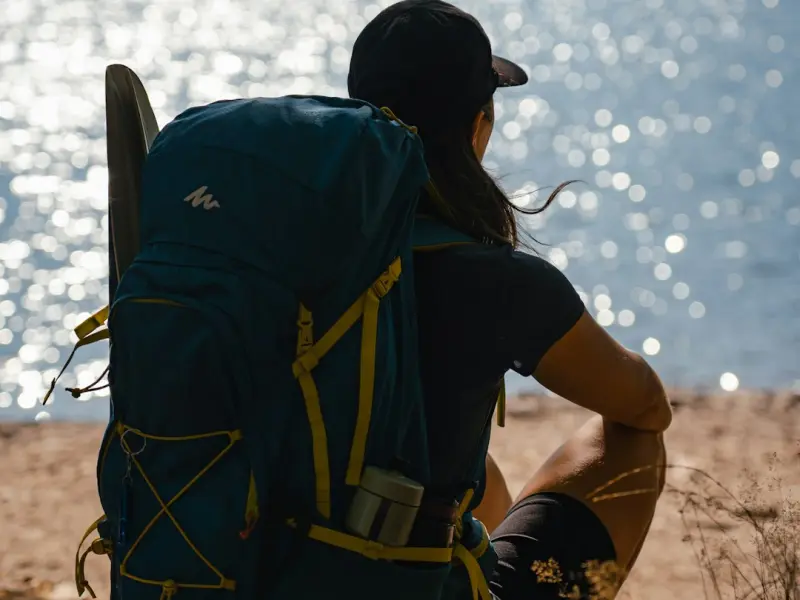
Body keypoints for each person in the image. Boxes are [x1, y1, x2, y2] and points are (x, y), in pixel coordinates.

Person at [348, 1, 672, 598]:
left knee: (479, 476)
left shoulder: (301, 250)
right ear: (478, 125)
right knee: (631, 439)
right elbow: (647, 406)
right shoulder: (499, 280)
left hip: (272, 565)